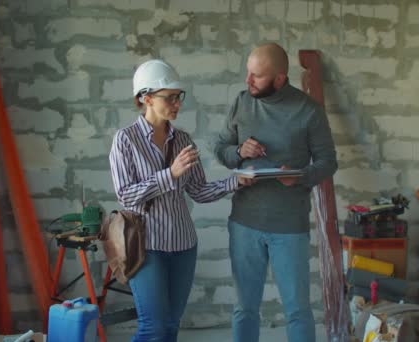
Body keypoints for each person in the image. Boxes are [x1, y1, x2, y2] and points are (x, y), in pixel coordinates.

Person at [109, 59, 250, 342]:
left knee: (172, 326)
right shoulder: (125, 140)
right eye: (169, 97)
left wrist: (236, 180)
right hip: (145, 247)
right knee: (153, 328)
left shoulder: (184, 140)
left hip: (184, 246)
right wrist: (169, 174)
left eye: (178, 97)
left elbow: (198, 191)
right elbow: (127, 195)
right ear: (146, 98)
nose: (177, 103)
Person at [214, 43, 338, 342]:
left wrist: (298, 177)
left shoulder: (308, 111)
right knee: (245, 308)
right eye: (248, 72)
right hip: (244, 222)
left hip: (289, 226)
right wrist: (239, 151)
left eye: (256, 76)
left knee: (297, 310)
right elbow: (220, 148)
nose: (248, 81)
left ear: (280, 79)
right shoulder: (242, 102)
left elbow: (328, 162)